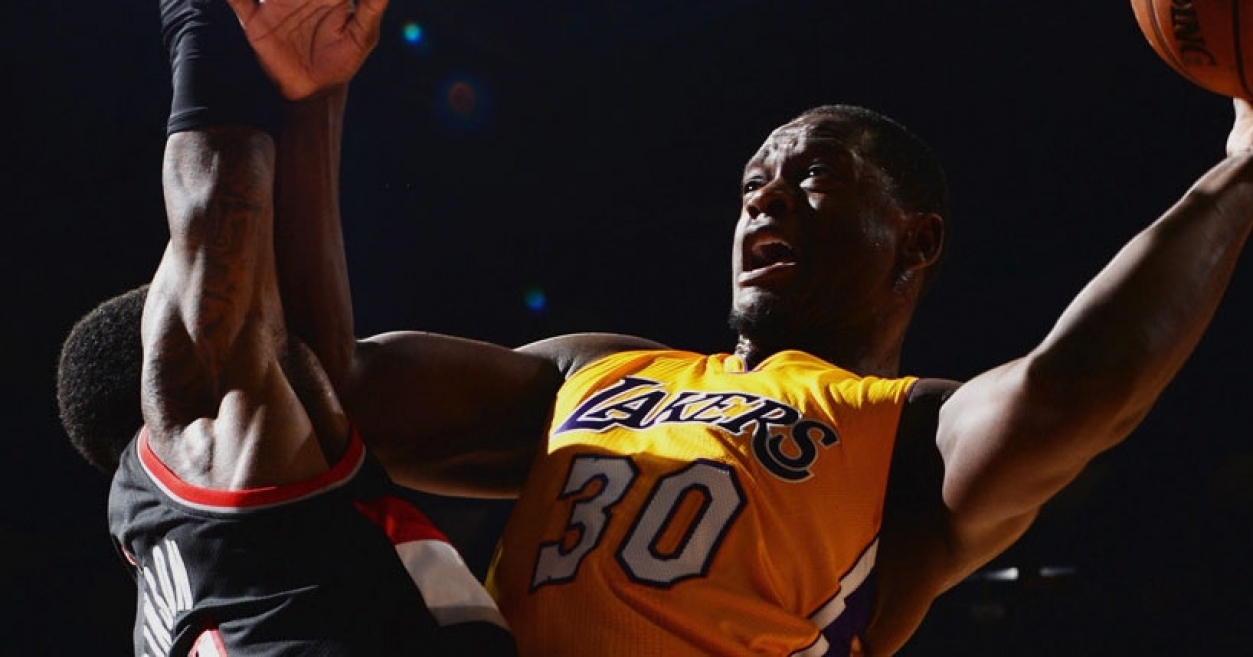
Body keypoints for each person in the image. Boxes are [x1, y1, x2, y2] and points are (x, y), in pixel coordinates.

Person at [65, 2, 1253, 654]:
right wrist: (316, 95)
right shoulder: (591, 372)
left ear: (916, 241)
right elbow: (327, 397)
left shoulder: (910, 435)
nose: (763, 200)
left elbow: (1074, 390)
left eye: (812, 175)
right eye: (750, 182)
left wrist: (1241, 162)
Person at [56, 0, 513, 653]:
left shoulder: (216, 557)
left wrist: (315, 94)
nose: (276, 317)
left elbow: (302, 346)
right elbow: (216, 266)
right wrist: (202, 20)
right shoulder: (205, 444)